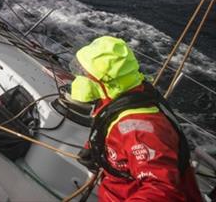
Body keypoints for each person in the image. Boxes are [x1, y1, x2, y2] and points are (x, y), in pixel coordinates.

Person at [70, 36, 203, 202]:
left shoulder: (139, 131)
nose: (79, 77)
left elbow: (163, 189)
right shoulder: (124, 94)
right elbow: (107, 124)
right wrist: (95, 148)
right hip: (115, 190)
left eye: (84, 74)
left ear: (105, 81)